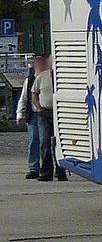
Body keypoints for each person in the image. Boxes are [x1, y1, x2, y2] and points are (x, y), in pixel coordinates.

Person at [32, 53, 66, 182]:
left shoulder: (62, 77)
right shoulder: (41, 77)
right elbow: (34, 94)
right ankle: (46, 172)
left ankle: (61, 171)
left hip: (59, 113)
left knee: (59, 143)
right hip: (44, 113)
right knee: (44, 142)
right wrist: (38, 108)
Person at [15, 55, 42, 179]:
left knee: (47, 142)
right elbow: (24, 98)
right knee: (33, 141)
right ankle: (34, 167)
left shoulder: (50, 76)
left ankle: (50, 167)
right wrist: (20, 114)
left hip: (46, 112)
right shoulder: (30, 79)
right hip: (33, 114)